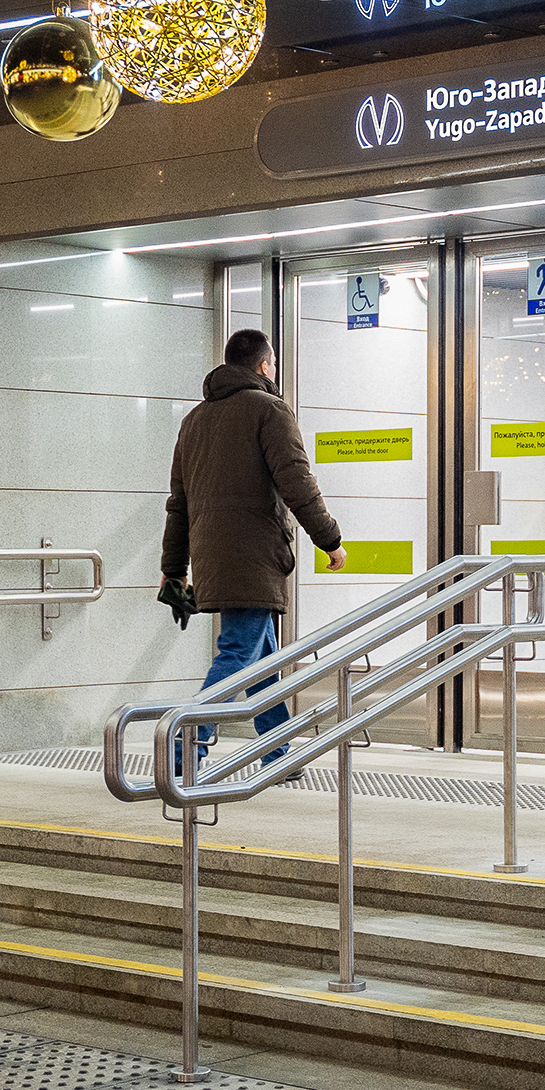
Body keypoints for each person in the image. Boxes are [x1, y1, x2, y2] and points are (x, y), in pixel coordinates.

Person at [161, 328, 345, 771]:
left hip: (213, 558)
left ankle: (277, 751)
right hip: (255, 557)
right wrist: (329, 539)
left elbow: (178, 504)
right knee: (238, 652)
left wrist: (173, 568)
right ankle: (183, 747)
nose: (275, 371)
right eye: (274, 364)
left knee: (261, 657)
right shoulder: (270, 410)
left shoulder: (195, 420)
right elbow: (297, 481)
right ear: (264, 366)